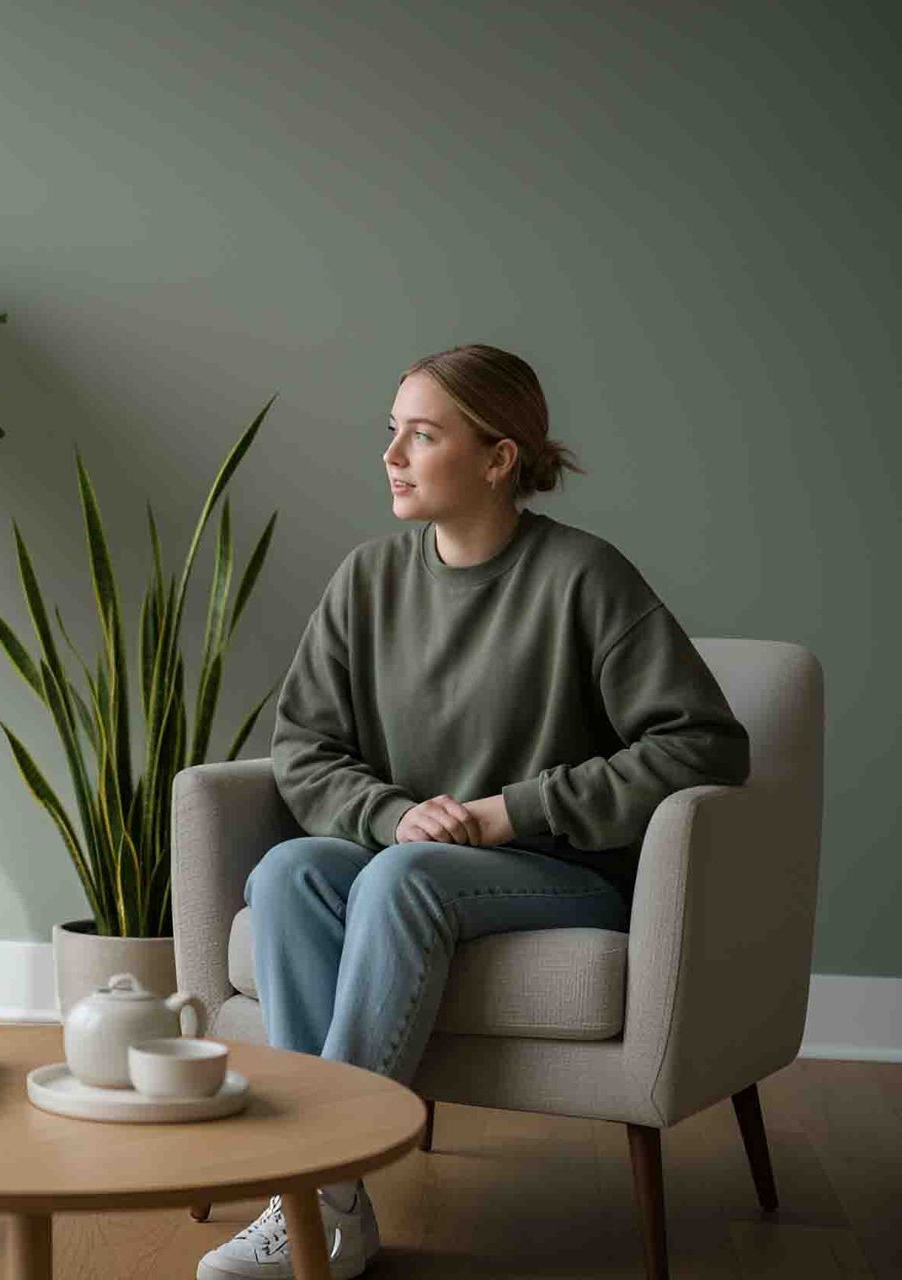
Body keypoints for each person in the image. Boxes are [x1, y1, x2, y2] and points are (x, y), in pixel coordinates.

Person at [197, 344, 751, 1280]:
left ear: (498, 459)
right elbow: (304, 747)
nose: (393, 455)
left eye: (423, 434)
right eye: (391, 432)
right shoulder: (366, 580)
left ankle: (314, 1191)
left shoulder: (585, 577)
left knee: (405, 880)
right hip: (411, 853)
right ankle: (333, 1205)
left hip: (560, 874)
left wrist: (510, 812)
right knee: (288, 872)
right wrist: (389, 812)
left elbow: (705, 743)